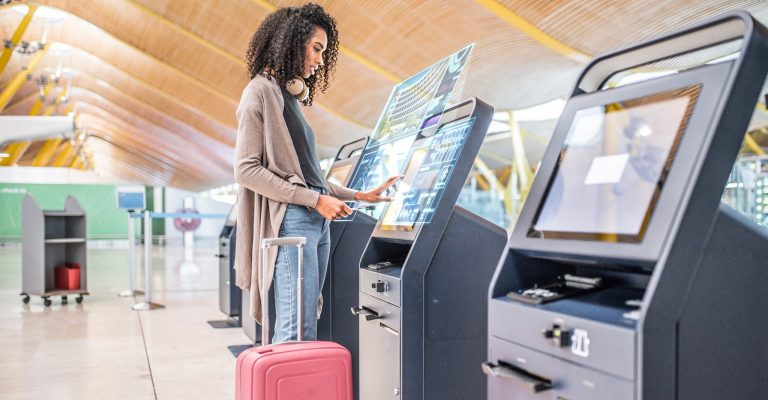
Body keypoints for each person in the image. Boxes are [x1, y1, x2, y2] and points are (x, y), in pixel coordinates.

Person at [234, 3, 398, 344]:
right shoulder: (259, 93)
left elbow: (309, 176)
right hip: (294, 218)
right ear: (292, 43)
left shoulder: (288, 97)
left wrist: (358, 195)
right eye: (317, 49)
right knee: (296, 326)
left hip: (312, 219)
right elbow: (247, 170)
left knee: (306, 319)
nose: (320, 60)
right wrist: (313, 200)